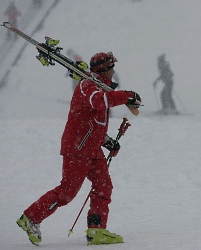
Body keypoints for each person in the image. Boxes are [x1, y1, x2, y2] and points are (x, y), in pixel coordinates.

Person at [16, 51, 142, 246]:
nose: (114, 71)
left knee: (103, 186)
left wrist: (107, 141)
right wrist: (127, 96)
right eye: (112, 67)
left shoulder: (100, 88)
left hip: (91, 148)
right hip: (78, 148)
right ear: (105, 69)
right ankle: (31, 218)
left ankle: (96, 231)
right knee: (67, 191)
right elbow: (97, 102)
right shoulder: (87, 86)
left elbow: (93, 121)